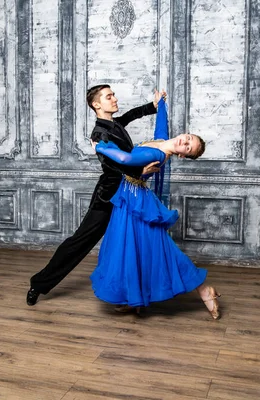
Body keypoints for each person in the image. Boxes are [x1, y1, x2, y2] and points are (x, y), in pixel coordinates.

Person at [26, 85, 166, 305]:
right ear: (96, 104)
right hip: (109, 197)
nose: (114, 99)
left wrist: (153, 106)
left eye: (113, 95)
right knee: (80, 241)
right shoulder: (99, 134)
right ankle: (39, 284)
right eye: (109, 97)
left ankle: (140, 292)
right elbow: (112, 165)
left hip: (129, 193)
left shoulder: (115, 124)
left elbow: (129, 116)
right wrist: (140, 171)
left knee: (141, 237)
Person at [90, 133, 221, 319]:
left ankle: (204, 290)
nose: (185, 142)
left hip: (136, 202)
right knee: (132, 249)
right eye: (189, 138)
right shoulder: (162, 140)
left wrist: (100, 148)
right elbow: (161, 122)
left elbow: (125, 158)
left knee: (159, 248)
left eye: (188, 147)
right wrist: (159, 104)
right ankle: (133, 299)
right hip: (129, 198)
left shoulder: (158, 155)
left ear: (182, 155)